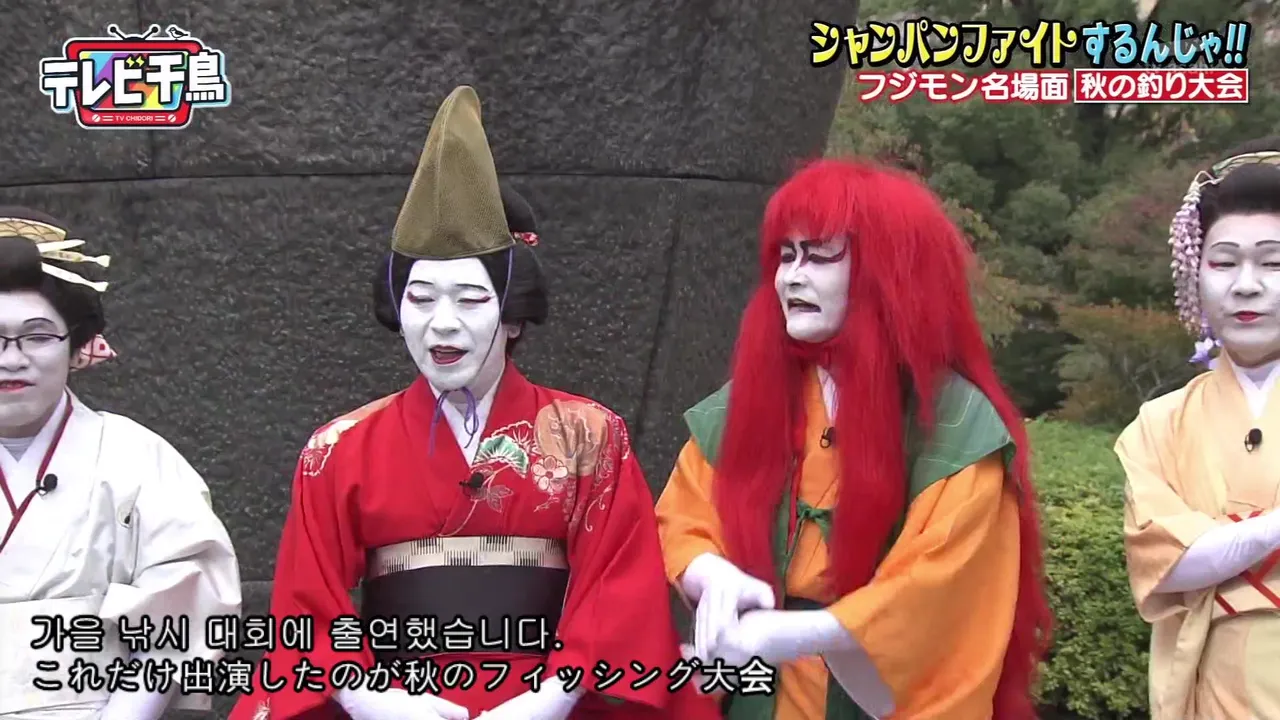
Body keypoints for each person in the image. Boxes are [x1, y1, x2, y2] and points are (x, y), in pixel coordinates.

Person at [231, 85, 713, 720]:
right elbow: (307, 605)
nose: (442, 324)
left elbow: (617, 587)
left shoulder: (590, 436)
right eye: (421, 298)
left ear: (512, 316)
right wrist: (368, 697)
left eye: (470, 299)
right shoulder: (337, 449)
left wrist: (552, 698)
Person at [654, 158, 1054, 719]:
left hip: (874, 694)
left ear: (886, 270)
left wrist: (807, 632)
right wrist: (708, 570)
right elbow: (685, 512)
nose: (792, 278)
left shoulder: (959, 426)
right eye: (786, 256)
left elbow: (940, 588)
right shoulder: (754, 397)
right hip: (755, 689)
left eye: (819, 256)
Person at [0, 208, 242, 719]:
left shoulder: (134, 456)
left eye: (37, 336)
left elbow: (185, 614)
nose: (12, 358)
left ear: (76, 346)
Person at [1118, 136, 1280, 719]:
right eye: (1224, 262)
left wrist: (1226, 540)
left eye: (1273, 262)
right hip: (1211, 681)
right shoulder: (1160, 422)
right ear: (1196, 273)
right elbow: (1165, 561)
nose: (1245, 285)